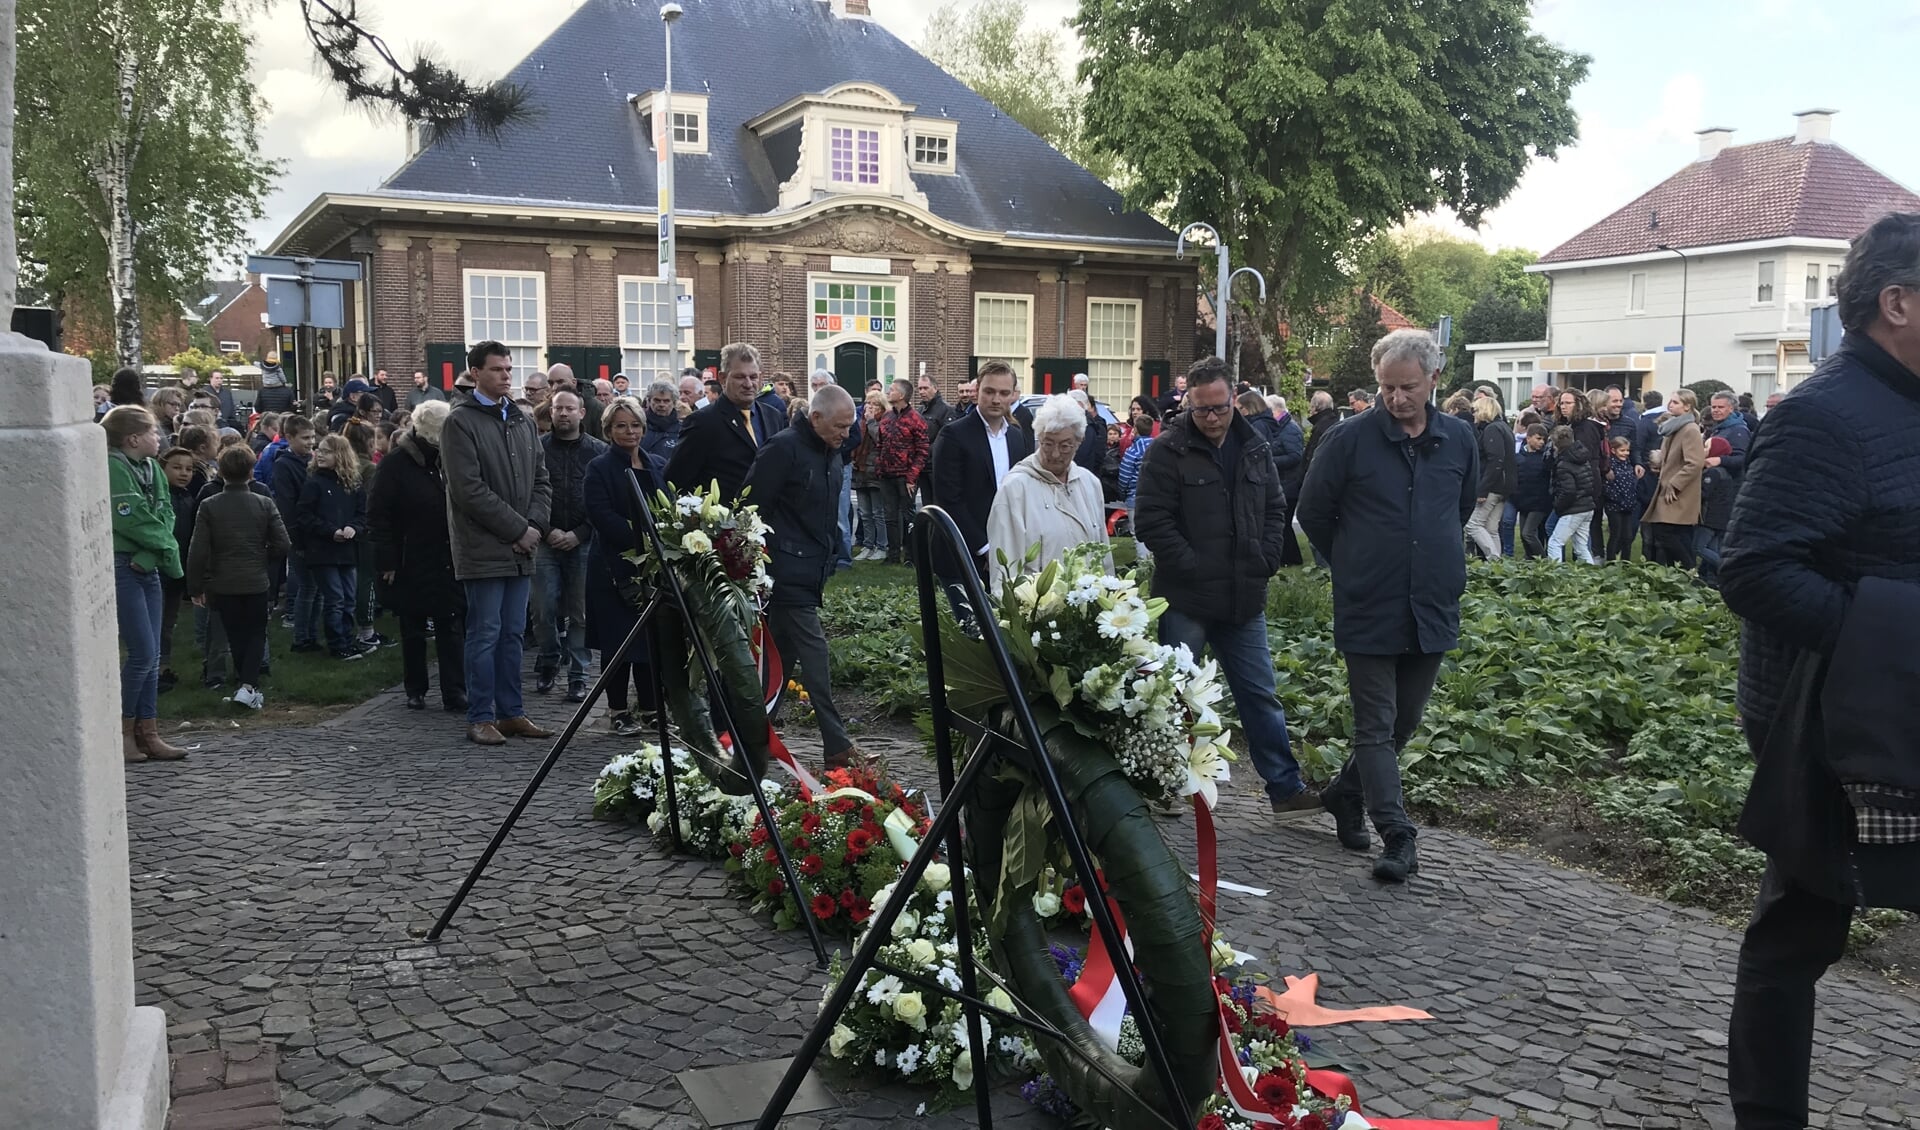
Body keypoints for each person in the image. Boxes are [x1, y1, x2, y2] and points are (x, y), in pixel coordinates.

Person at [1719, 211, 1920, 1130]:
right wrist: (1890, 636)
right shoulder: (1821, 416)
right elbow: (1755, 569)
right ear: (1899, 303)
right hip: (1828, 719)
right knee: (1800, 929)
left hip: (1902, 699)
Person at [1297, 329, 1478, 883]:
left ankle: (1344, 795)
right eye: (1386, 388)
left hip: (1432, 601)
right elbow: (1313, 512)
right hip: (1369, 601)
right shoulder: (1348, 439)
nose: (1396, 398)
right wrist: (1353, 563)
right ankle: (1398, 834)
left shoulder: (1460, 440)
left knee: (1404, 723)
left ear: (1433, 381)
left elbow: (1460, 506)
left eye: (1407, 387)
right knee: (1374, 726)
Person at [1136, 357, 1310, 821]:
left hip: (1243, 595)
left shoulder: (1254, 447)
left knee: (1260, 696)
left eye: (1219, 408)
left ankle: (1286, 790)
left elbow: (1275, 507)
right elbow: (1151, 519)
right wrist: (1191, 565)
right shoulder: (1167, 451)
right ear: (1188, 405)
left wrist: (1267, 557)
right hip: (1187, 596)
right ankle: (1166, 781)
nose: (1212, 419)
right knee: (1174, 697)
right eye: (1202, 410)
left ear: (1233, 399)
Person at [743, 384, 865, 768]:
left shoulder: (828, 450)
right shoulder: (783, 448)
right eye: (841, 427)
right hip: (786, 573)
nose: (847, 435)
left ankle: (748, 739)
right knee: (816, 659)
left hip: (810, 570)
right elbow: (750, 506)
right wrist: (762, 564)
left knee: (781, 663)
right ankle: (838, 747)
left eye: (850, 427)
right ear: (815, 418)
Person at [443, 340, 556, 746]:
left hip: (523, 546)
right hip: (484, 548)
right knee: (485, 631)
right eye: (497, 369)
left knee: (512, 634)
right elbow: (468, 490)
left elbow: (542, 480)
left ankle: (511, 712)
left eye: (509, 369)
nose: (506, 376)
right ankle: (481, 715)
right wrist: (517, 530)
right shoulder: (460, 422)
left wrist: (535, 526)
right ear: (476, 373)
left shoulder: (522, 421)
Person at [369, 400, 467, 713]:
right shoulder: (395, 465)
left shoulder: (450, 460)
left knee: (451, 625)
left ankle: (455, 689)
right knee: (412, 626)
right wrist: (387, 560)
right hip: (410, 556)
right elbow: (379, 515)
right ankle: (416, 688)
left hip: (447, 555)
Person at [105, 405, 188, 762]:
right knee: (140, 653)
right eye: (153, 432)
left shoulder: (153, 467)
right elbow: (132, 518)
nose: (159, 438)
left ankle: (149, 731)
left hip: (148, 564)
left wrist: (156, 554)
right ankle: (122, 733)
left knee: (153, 655)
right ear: (133, 438)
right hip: (125, 565)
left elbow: (165, 511)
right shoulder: (114, 467)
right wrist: (166, 547)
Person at [584, 396, 665, 737]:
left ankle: (650, 709)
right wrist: (644, 538)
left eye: (634, 425)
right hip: (613, 568)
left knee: (650, 642)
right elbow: (601, 515)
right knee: (619, 643)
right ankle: (617, 710)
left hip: (652, 568)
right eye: (621, 425)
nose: (629, 431)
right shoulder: (599, 468)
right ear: (608, 430)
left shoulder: (657, 463)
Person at [185, 445, 289, 711]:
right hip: (256, 579)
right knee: (255, 632)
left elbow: (197, 549)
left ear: (220, 471)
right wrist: (263, 557)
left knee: (234, 633)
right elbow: (282, 543)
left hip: (223, 581)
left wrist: (195, 585)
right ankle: (248, 684)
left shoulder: (209, 505)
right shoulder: (264, 503)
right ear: (252, 471)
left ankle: (244, 683)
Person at [931, 361, 1033, 613]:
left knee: (1007, 632)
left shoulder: (1016, 437)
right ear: (978, 391)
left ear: (1013, 394)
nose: (996, 399)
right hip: (962, 551)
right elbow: (949, 500)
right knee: (974, 635)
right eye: (989, 391)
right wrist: (986, 548)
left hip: (1006, 553)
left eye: (1003, 393)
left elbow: (1019, 493)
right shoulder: (953, 435)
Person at [986, 394, 1111, 589]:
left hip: (1087, 606)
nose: (1054, 454)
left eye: (1065, 446)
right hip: (1038, 610)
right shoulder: (1016, 489)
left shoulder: (1090, 484)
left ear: (1079, 442)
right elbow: (1005, 571)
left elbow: (1103, 555)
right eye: (1048, 443)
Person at [533, 389, 605, 702]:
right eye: (558, 408)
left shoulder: (598, 452)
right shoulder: (536, 449)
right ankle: (549, 659)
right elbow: (528, 493)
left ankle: (578, 675)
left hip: (583, 541)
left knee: (581, 613)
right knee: (543, 607)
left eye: (569, 408)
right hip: (545, 540)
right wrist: (546, 530)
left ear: (581, 413)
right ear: (550, 413)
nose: (563, 413)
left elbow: (601, 500)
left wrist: (579, 533)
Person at [665, 342, 788, 505]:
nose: (748, 384)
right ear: (723, 378)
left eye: (753, 377)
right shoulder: (702, 422)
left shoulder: (773, 416)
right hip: (724, 524)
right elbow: (676, 479)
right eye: (740, 377)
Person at [296, 436, 370, 660]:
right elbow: (304, 515)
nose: (320, 454)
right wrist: (330, 531)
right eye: (319, 450)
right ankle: (337, 644)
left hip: (347, 550)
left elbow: (362, 514)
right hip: (323, 550)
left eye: (327, 451)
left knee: (349, 596)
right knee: (335, 598)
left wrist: (353, 528)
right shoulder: (314, 483)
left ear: (340, 455)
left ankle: (348, 639)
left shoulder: (353, 484)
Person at [270, 416, 320, 649]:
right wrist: (295, 540)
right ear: (289, 437)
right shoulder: (284, 465)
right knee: (307, 587)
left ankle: (312, 634)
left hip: (315, 531)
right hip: (299, 534)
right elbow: (287, 506)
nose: (311, 442)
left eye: (312, 437)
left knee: (317, 588)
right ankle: (301, 637)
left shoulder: (312, 460)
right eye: (305, 438)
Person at [1643, 388, 1705, 569]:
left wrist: (1675, 484)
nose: (1670, 405)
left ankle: (1689, 571)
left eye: (1675, 402)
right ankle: (1679, 573)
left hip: (1679, 494)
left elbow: (1695, 462)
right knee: (1672, 534)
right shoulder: (1674, 427)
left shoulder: (1689, 429)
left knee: (1667, 533)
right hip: (1668, 488)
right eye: (1670, 401)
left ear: (1687, 407)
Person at [870, 378, 928, 565]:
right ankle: (893, 555)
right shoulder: (887, 418)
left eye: (892, 389)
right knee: (890, 517)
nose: (888, 391)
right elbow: (880, 444)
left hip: (906, 477)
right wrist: (879, 466)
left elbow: (923, 450)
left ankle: (910, 556)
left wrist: (912, 476)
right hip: (886, 475)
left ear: (901, 395)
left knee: (908, 517)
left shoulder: (916, 419)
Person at [156, 447, 200, 693]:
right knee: (157, 621)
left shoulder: (187, 497)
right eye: (177, 467)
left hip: (178, 569)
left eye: (189, 469)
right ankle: (155, 669)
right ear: (163, 468)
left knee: (169, 622)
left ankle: (164, 666)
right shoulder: (160, 497)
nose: (184, 473)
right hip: (158, 568)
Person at [1544, 425, 1598, 564]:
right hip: (1587, 506)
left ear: (1556, 444)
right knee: (1581, 546)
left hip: (1573, 508)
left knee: (1555, 542)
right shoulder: (1582, 456)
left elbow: (1568, 491)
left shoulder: (1564, 463)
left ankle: (1555, 576)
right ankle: (1592, 575)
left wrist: (1558, 505)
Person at [1468, 396, 1514, 559]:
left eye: (1475, 411)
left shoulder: (1492, 430)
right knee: (1491, 527)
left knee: (1473, 524)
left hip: (1493, 485)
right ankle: (1498, 564)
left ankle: (1494, 557)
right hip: (1505, 485)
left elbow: (1496, 460)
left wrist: (1483, 490)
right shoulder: (1504, 428)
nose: (1473, 415)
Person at [851, 389, 889, 561]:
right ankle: (868, 545)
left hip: (875, 471)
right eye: (868, 403)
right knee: (864, 513)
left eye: (874, 403)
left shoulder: (884, 420)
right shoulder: (862, 421)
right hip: (861, 470)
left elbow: (880, 439)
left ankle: (882, 545)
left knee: (877, 512)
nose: (870, 406)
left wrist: (872, 422)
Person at [1512, 424, 1552, 558]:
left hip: (1539, 503)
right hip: (1524, 502)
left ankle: (1543, 560)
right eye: (1538, 438)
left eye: (1543, 439)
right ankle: (1529, 561)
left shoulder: (1545, 458)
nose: (1541, 442)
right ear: (1528, 438)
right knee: (1524, 535)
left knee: (1528, 533)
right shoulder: (1519, 457)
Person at [1602, 434, 1640, 561]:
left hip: (1628, 505)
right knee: (1616, 534)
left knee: (1628, 536)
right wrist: (1618, 499)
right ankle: (1611, 562)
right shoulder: (1610, 466)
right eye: (1622, 450)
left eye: (1627, 450)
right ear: (1613, 450)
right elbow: (1607, 487)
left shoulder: (1628, 464)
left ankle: (1626, 562)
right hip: (1615, 506)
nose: (1626, 453)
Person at [1703, 390, 1752, 483]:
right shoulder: (1718, 428)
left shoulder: (1738, 430)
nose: (1715, 410)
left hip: (1731, 484)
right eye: (1713, 407)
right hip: (1716, 480)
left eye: (1720, 407)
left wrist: (1720, 460)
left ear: (1731, 408)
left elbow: (1743, 459)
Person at [640, 380, 682, 462]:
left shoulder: (683, 429)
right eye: (657, 400)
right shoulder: (638, 426)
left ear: (674, 403)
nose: (661, 405)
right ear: (648, 401)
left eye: (666, 401)